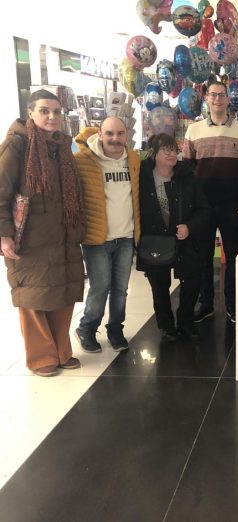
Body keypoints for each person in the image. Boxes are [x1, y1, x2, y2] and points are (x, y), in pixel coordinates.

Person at [0, 89, 84, 377]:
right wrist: (4, 234)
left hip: (62, 233)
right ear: (30, 113)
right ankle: (40, 357)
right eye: (44, 111)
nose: (52, 116)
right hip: (31, 238)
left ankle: (61, 351)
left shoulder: (61, 146)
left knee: (63, 293)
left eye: (57, 111)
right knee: (34, 296)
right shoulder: (17, 144)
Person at [183, 80, 238, 324]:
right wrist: (189, 202)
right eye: (213, 95)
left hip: (232, 204)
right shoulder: (193, 131)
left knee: (234, 255)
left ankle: (232, 303)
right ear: (206, 98)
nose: (217, 99)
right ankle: (205, 303)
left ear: (228, 99)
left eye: (221, 95)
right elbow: (187, 170)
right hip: (201, 207)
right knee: (203, 256)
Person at [73, 116, 140, 353]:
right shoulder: (83, 160)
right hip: (96, 238)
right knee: (100, 287)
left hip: (126, 236)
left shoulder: (133, 159)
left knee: (120, 289)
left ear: (127, 134)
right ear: (99, 134)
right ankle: (87, 328)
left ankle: (115, 329)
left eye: (120, 133)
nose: (115, 138)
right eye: (109, 133)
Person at [136, 133, 210, 341]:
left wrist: (189, 227)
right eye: (165, 150)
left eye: (174, 150)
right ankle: (167, 326)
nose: (171, 154)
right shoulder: (141, 176)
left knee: (192, 280)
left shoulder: (188, 176)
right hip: (154, 240)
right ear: (153, 153)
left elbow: (204, 209)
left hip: (184, 239)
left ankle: (186, 321)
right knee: (159, 286)